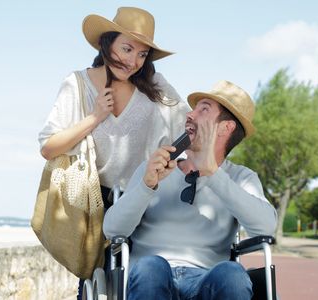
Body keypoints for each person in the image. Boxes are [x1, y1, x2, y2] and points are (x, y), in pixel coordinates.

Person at [37, 7, 189, 299]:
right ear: (107, 43)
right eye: (127, 48)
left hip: (142, 204)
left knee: (140, 285)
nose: (133, 61)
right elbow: (48, 146)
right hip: (91, 208)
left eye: (142, 54)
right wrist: (95, 117)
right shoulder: (77, 83)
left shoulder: (155, 86)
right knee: (96, 289)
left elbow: (189, 128)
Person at [103, 80, 278, 299]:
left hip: (207, 281)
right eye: (193, 109)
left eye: (203, 109)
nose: (190, 115)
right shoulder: (154, 168)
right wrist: (147, 186)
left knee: (232, 273)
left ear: (226, 127)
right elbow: (112, 230)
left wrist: (213, 174)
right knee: (151, 267)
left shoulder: (241, 178)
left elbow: (266, 228)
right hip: (151, 277)